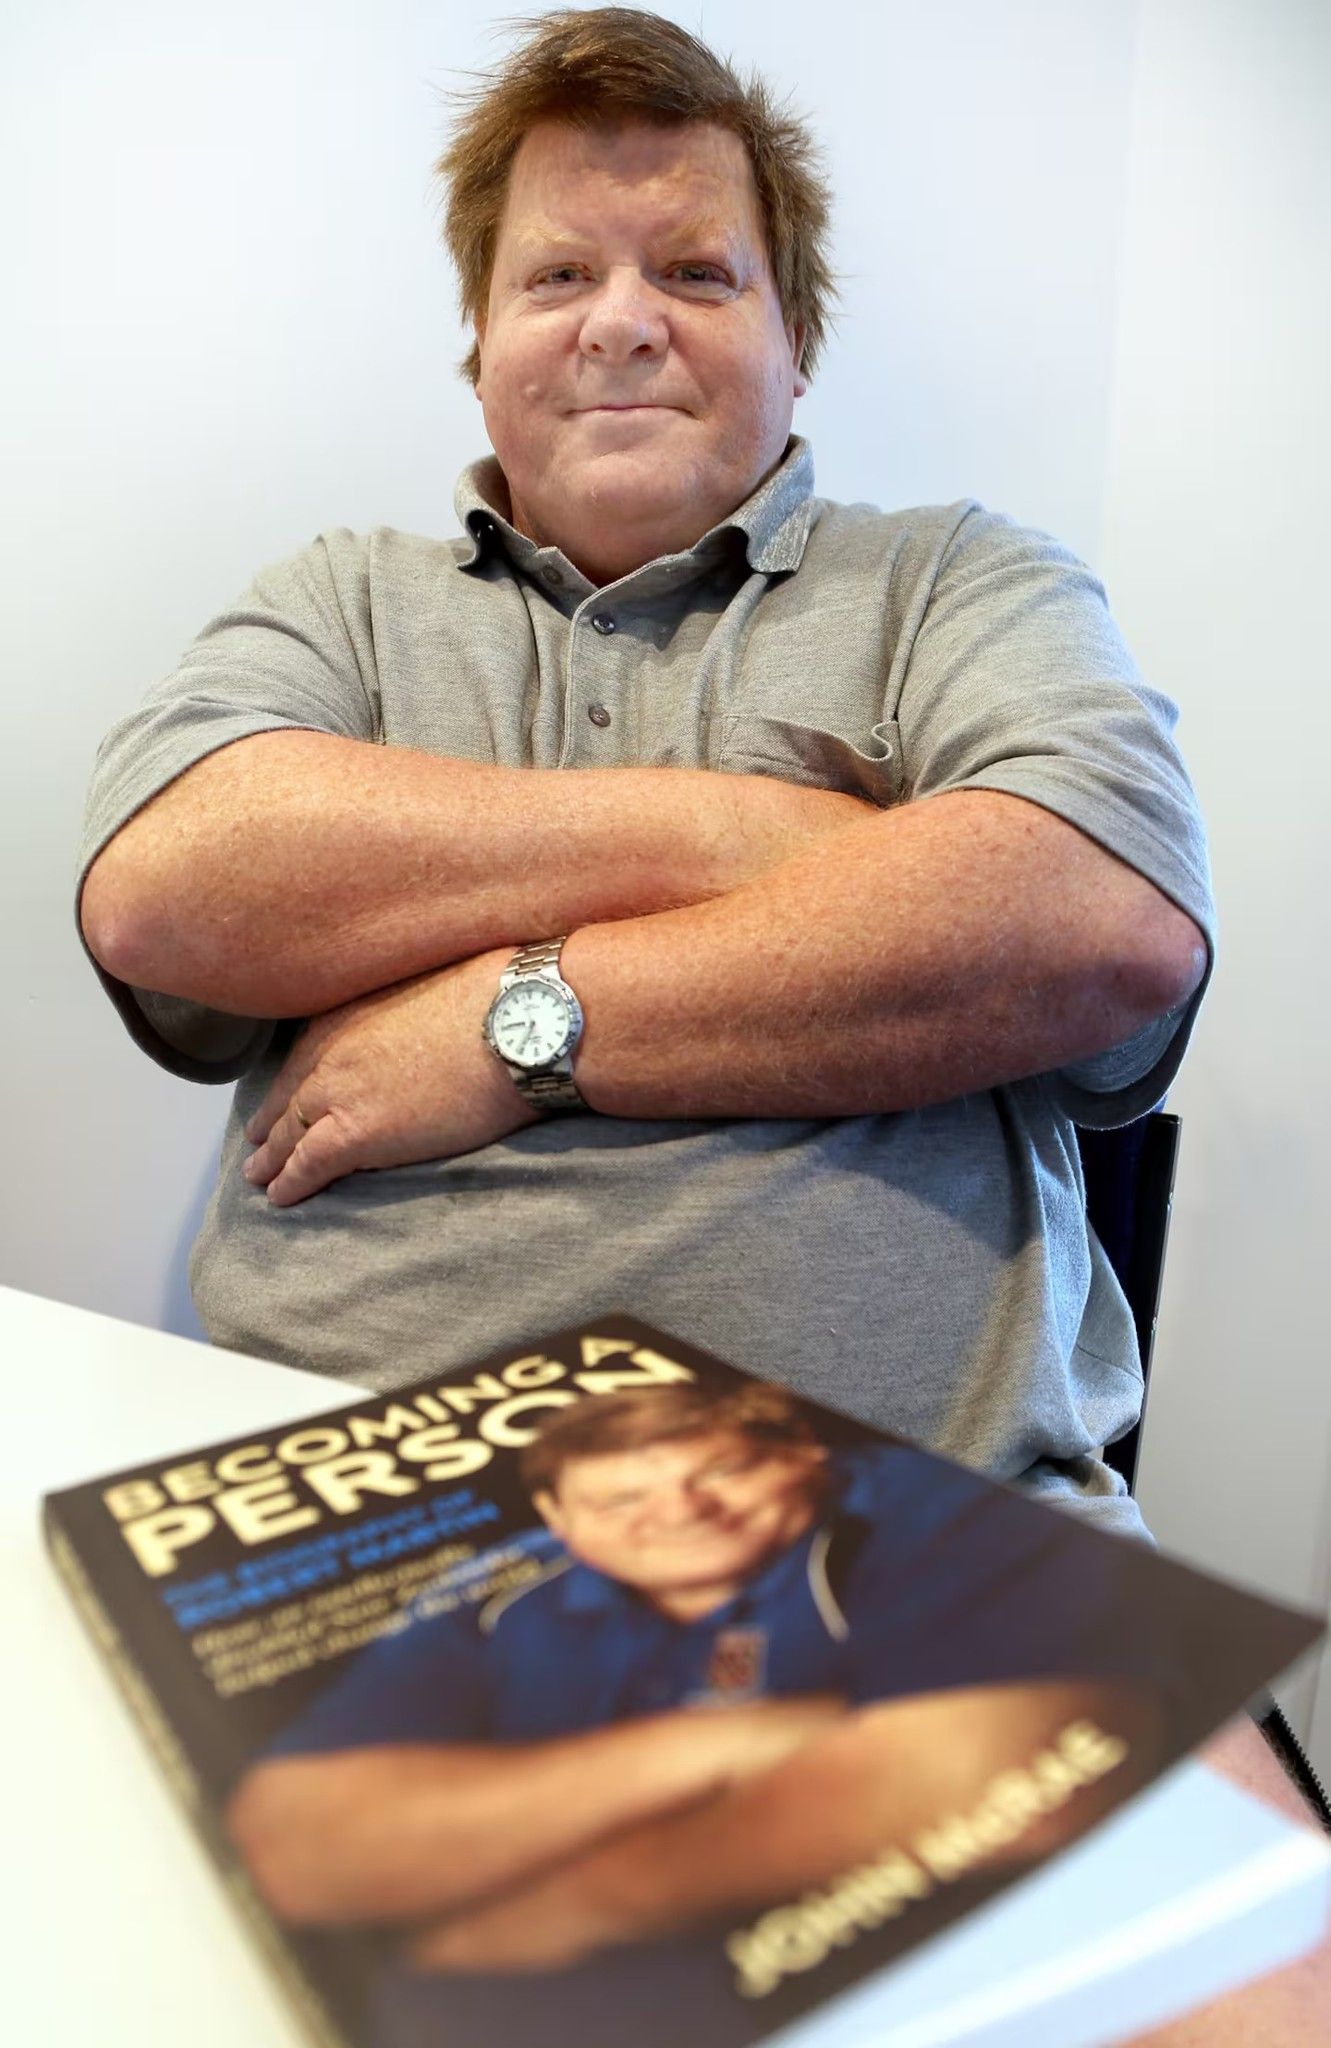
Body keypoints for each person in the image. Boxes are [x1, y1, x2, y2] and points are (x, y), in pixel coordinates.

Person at [75, 14, 1330, 2034]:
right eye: (555, 275)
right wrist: (754, 829)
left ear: (791, 335)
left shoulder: (959, 587)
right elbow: (172, 885)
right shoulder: (343, 602)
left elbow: (1094, 914)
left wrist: (514, 1021)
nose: (619, 324)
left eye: (694, 272)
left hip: (938, 1528)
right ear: (478, 340)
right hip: (340, 1522)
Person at [226, 1384, 1162, 2043]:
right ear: (559, 1514)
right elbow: (298, 1843)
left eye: (721, 1471)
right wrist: (739, 1740)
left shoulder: (904, 1512)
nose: (679, 1512)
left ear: (804, 1460)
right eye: (622, 1495)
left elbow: (1027, 1770)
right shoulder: (500, 1593)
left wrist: (581, 1900)